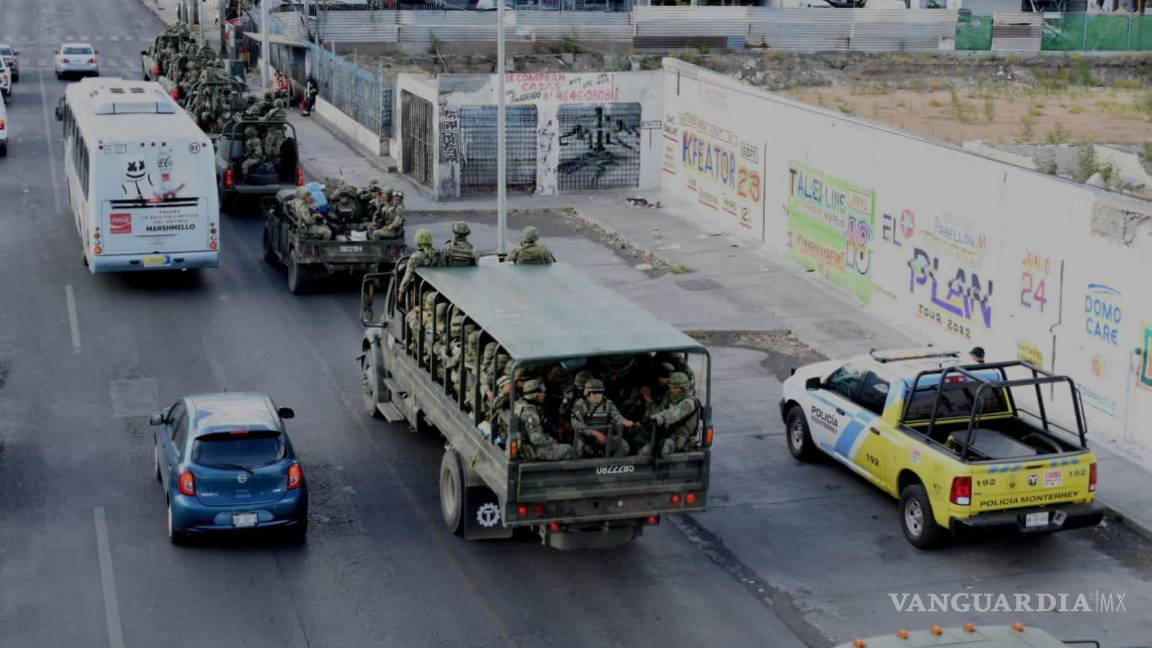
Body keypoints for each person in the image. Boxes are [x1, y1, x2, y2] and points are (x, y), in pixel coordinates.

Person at [639, 372, 699, 457]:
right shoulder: (670, 398)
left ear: (683, 388)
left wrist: (657, 418)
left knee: (664, 448)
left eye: (675, 388)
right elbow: (658, 411)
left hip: (682, 440)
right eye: (671, 387)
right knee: (642, 447)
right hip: (666, 435)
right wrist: (648, 402)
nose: (672, 390)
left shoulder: (689, 402)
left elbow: (674, 414)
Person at [571, 379, 634, 458]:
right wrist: (596, 433)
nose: (598, 395)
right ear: (587, 394)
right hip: (585, 440)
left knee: (623, 445)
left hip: (602, 439)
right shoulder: (580, 405)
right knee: (577, 450)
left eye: (600, 392)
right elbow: (575, 424)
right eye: (594, 393)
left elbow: (616, 416)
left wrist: (625, 421)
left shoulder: (608, 404)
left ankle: (611, 466)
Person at [515, 380, 572, 462]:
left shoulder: (522, 403)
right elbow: (536, 438)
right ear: (536, 395)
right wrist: (552, 441)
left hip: (531, 445)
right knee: (569, 449)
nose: (544, 394)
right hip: (535, 449)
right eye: (541, 392)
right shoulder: (531, 414)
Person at [397, 228, 442, 299]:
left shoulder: (415, 257)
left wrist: (401, 293)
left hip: (421, 293)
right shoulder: (438, 255)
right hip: (439, 291)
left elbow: (407, 277)